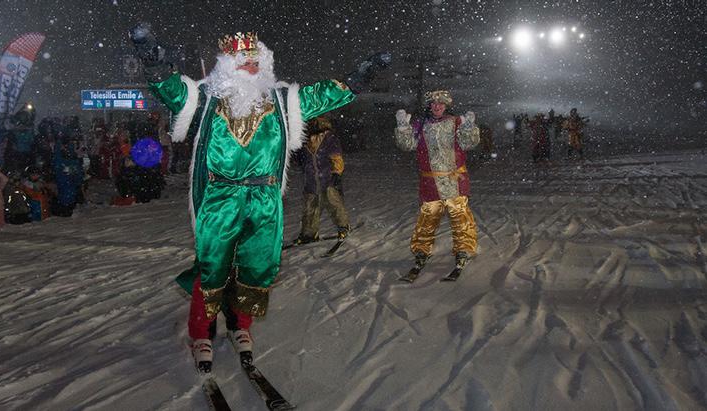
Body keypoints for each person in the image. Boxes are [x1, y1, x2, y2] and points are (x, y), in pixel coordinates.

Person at [130, 24, 389, 372]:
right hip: (220, 195)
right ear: (227, 64)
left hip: (265, 195)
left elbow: (325, 95)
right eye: (242, 59)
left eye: (256, 60)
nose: (250, 65)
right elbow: (170, 89)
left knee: (255, 266)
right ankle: (202, 333)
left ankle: (240, 326)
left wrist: (361, 75)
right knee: (212, 267)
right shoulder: (206, 96)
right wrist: (153, 58)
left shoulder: (282, 99)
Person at [394, 89, 480, 277]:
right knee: (427, 218)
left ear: (446, 105)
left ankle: (463, 249)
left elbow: (468, 144)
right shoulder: (420, 124)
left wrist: (469, 129)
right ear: (429, 106)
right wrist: (402, 128)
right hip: (430, 182)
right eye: (433, 103)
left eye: (440, 103)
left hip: (454, 181)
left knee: (461, 218)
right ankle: (422, 250)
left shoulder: (456, 122)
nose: (437, 106)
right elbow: (407, 145)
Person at [293, 115, 350, 244]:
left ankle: (343, 226)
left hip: (327, 178)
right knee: (310, 207)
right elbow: (302, 159)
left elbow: (336, 156)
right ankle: (309, 233)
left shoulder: (328, 137)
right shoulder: (303, 139)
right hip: (311, 181)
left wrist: (336, 172)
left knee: (334, 204)